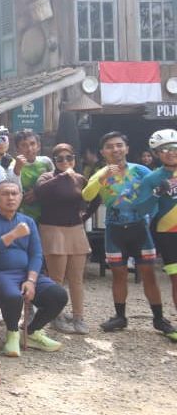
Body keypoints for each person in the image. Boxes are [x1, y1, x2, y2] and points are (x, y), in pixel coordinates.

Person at [82, 131, 174, 337]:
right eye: (109, 147)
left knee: (149, 275)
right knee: (118, 275)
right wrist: (102, 177)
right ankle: (120, 317)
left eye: (119, 145)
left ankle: (159, 318)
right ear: (102, 152)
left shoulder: (140, 170)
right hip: (114, 231)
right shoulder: (100, 173)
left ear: (127, 148)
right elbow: (87, 195)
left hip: (140, 228)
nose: (115, 150)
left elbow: (157, 186)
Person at [0, 181, 67, 356]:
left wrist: (31, 280)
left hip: (26, 274)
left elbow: (36, 254)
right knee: (12, 296)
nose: (10, 198)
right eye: (5, 194)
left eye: (14, 194)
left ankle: (31, 333)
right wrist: (13, 235)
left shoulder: (28, 222)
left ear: (21, 197)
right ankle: (12, 335)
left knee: (58, 295)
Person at [34, 143, 92, 335]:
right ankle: (55, 315)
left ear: (75, 159)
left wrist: (84, 217)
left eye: (69, 158)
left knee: (76, 278)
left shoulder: (80, 178)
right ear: (54, 161)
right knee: (56, 278)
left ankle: (79, 316)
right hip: (52, 229)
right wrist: (61, 176)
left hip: (75, 228)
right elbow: (39, 194)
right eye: (60, 158)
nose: (65, 161)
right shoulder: (47, 177)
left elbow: (94, 197)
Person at [133, 129, 177, 341]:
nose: (171, 152)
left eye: (174, 147)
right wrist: (156, 193)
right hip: (168, 234)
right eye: (164, 149)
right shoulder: (152, 178)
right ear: (157, 154)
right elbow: (140, 208)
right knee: (176, 280)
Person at [11, 129, 54, 220]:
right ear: (17, 149)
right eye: (24, 145)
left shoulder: (46, 162)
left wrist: (38, 192)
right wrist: (17, 170)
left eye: (32, 144)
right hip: (23, 216)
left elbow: (57, 183)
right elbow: (14, 192)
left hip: (47, 215)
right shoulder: (13, 166)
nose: (29, 148)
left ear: (38, 146)